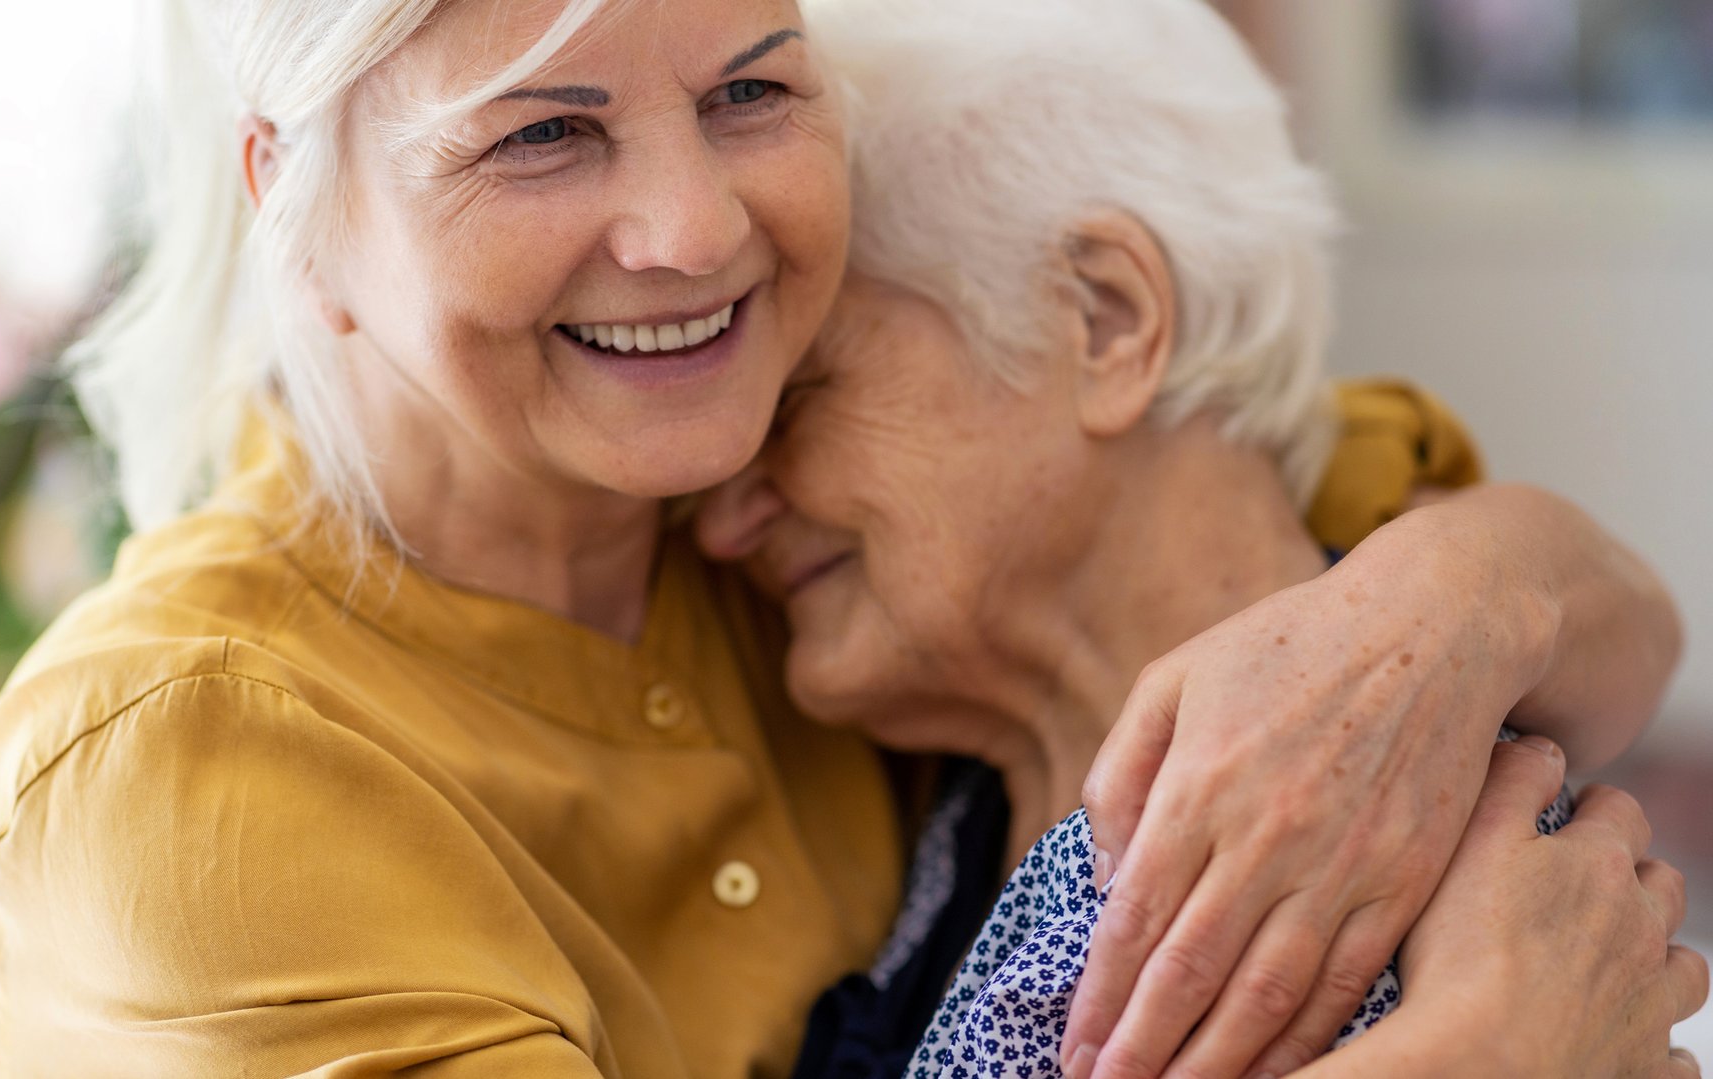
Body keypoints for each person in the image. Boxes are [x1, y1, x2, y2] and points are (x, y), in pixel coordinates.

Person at [0, 0, 1689, 1074]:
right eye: (541, 134)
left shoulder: (739, 524)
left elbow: (1444, 552)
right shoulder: (179, 772)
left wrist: (1469, 596)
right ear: (292, 199)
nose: (693, 236)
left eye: (754, 92)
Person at [694, 0, 1704, 1075]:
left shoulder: (1425, 844)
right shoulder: (945, 813)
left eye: (798, 395)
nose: (720, 515)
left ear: (1107, 316)